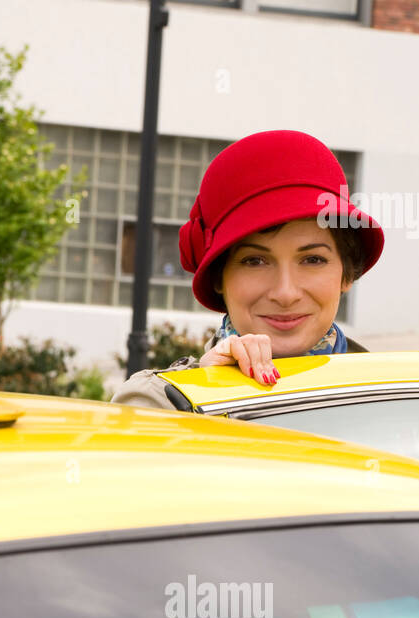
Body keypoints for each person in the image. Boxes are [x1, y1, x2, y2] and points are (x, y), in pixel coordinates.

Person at [112, 129, 384, 411]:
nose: (285, 293)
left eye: (313, 260)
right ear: (219, 276)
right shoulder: (158, 404)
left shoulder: (396, 396)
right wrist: (205, 399)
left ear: (347, 273)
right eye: (255, 261)